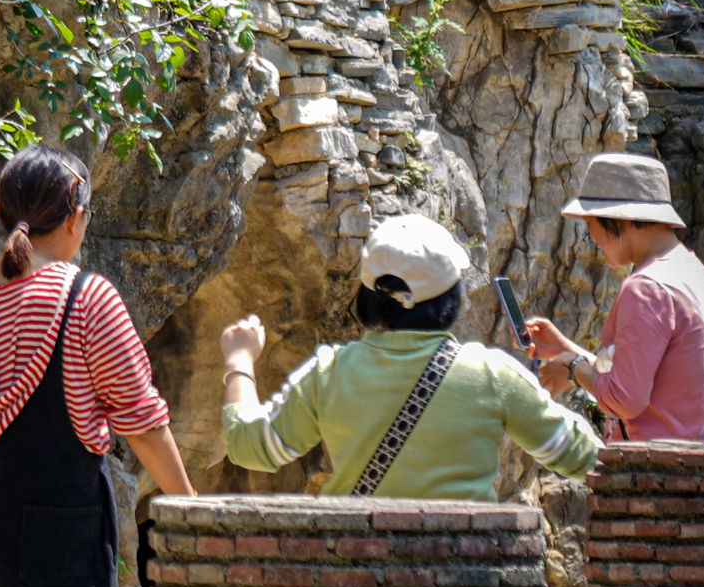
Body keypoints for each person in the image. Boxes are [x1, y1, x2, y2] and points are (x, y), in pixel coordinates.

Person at [0, 147, 193, 587]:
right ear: (76, 218)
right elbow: (142, 424)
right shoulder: (87, 298)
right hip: (62, 554)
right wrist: (191, 507)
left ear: (0, 211)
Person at [218, 213, 602, 501]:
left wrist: (239, 360)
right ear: (453, 297)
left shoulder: (329, 374)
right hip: (467, 584)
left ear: (367, 300)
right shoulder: (494, 375)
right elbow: (589, 460)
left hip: (357, 583)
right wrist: (576, 366)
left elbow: (250, 447)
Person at [521, 151, 704, 444]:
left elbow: (625, 400)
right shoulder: (693, 273)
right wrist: (564, 349)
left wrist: (572, 367)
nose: (590, 234)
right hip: (692, 468)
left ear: (620, 219)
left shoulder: (646, 288)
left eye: (590, 219)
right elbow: (644, 382)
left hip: (650, 474)